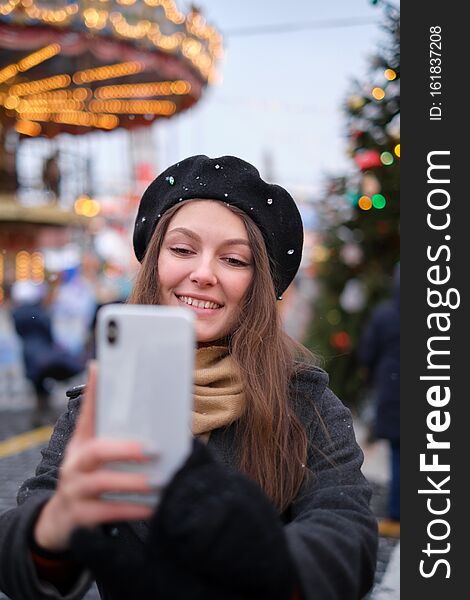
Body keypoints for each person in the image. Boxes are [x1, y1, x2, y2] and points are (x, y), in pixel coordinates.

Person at [0, 155, 378, 600]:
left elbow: (348, 538)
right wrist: (56, 522)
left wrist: (262, 555)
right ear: (154, 263)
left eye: (234, 259)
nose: (202, 273)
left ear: (260, 283)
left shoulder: (307, 403)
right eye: (182, 250)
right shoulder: (102, 402)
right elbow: (18, 556)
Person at [358, 264, 400, 538]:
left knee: (399, 456)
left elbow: (368, 352)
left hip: (394, 394)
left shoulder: (386, 315)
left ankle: (397, 515)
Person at [9, 280, 86, 424]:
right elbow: (48, 332)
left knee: (38, 384)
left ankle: (40, 413)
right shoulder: (40, 313)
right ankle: (46, 414)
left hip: (30, 355)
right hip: (45, 354)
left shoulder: (16, 314)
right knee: (47, 378)